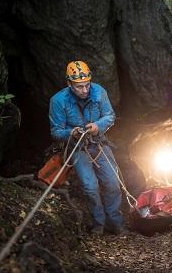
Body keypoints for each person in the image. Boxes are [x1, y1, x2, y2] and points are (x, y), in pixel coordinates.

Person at [49, 60, 124, 235]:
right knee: (90, 187)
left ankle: (115, 223)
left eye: (87, 85)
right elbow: (56, 131)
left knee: (113, 182)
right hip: (77, 147)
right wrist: (71, 133)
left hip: (99, 143)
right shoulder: (58, 101)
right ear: (69, 84)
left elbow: (110, 116)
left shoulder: (99, 92)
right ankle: (98, 224)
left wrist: (97, 126)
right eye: (79, 87)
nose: (84, 90)